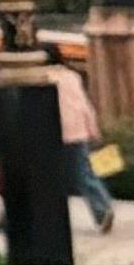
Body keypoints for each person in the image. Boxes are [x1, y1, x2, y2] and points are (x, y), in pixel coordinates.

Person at [50, 55, 116, 233]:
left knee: (49, 177)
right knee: (85, 173)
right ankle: (103, 207)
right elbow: (84, 105)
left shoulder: (46, 78)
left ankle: (51, 218)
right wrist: (93, 130)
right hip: (78, 131)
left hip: (55, 133)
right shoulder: (72, 77)